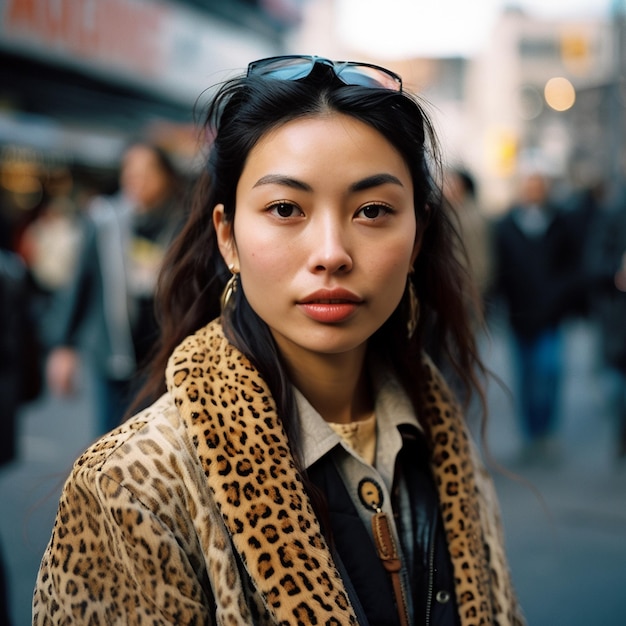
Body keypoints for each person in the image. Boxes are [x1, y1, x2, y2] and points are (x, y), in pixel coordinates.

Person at [33, 56, 524, 625]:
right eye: (286, 209)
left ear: (417, 239)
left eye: (372, 210)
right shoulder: (134, 488)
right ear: (229, 238)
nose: (331, 252)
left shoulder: (444, 443)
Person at [44, 141, 185, 434]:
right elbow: (79, 283)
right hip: (111, 348)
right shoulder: (104, 221)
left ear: (167, 176)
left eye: (148, 171)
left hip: (166, 349)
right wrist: (63, 346)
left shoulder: (184, 224)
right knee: (110, 436)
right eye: (130, 171)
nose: (138, 179)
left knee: (156, 439)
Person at [493, 171, 579, 465]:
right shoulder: (505, 225)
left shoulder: (561, 223)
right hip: (519, 314)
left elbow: (571, 266)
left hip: (551, 314)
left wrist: (561, 298)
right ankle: (531, 434)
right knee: (526, 376)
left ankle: (546, 430)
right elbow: (498, 269)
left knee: (550, 371)